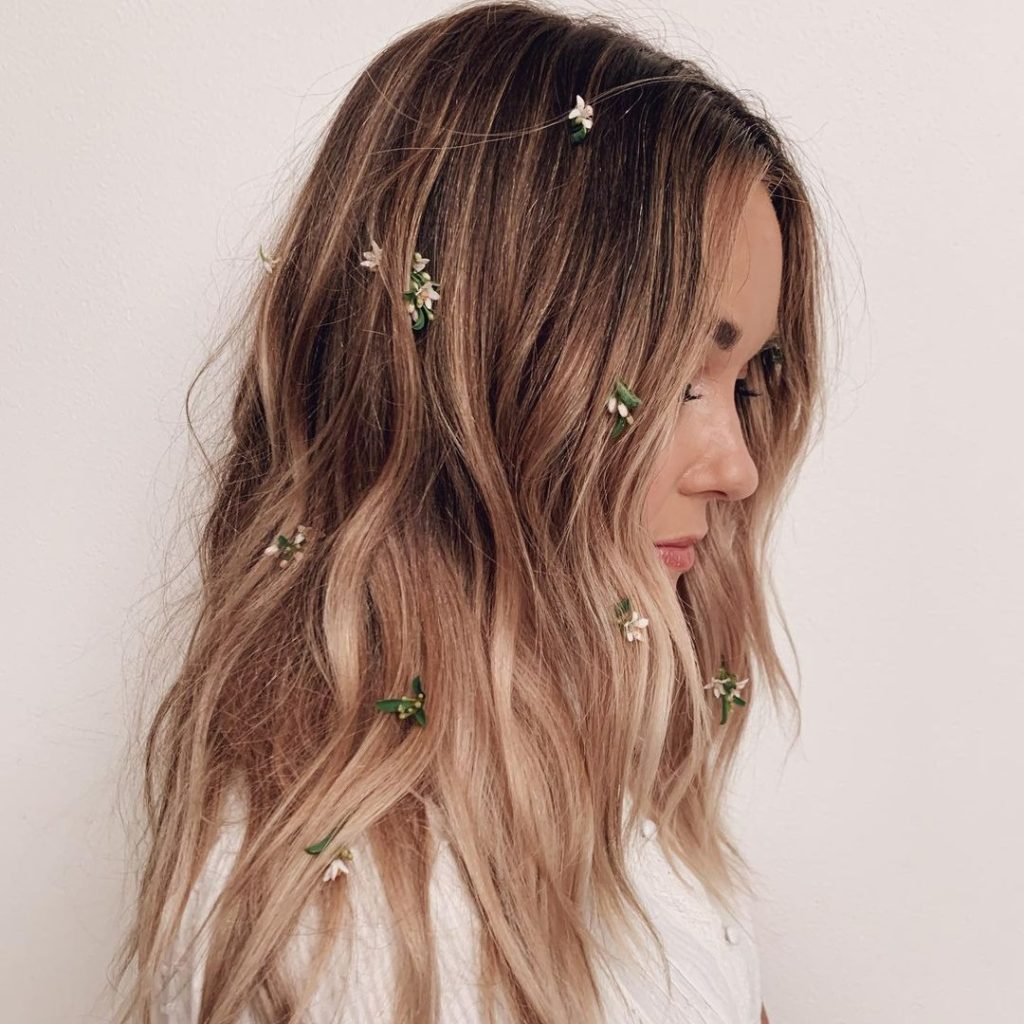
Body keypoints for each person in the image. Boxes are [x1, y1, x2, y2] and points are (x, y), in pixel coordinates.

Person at [112, 1, 828, 1021]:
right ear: (483, 388)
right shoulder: (344, 936)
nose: (738, 468)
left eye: (744, 379)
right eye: (675, 376)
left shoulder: (622, 805)